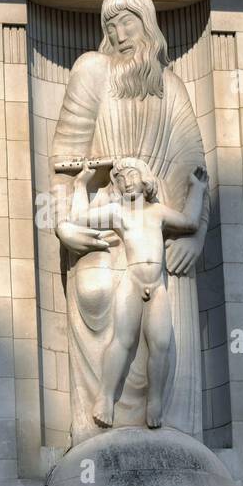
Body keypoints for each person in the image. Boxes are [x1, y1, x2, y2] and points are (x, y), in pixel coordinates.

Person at [68, 158, 208, 429]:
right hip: (132, 282)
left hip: (157, 287)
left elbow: (190, 223)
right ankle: (105, 399)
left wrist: (197, 189)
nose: (125, 181)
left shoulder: (158, 213)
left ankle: (154, 402)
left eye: (130, 175)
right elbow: (78, 218)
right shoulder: (119, 213)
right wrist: (80, 184)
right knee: (123, 340)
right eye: (118, 179)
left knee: (161, 344)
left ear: (144, 178)